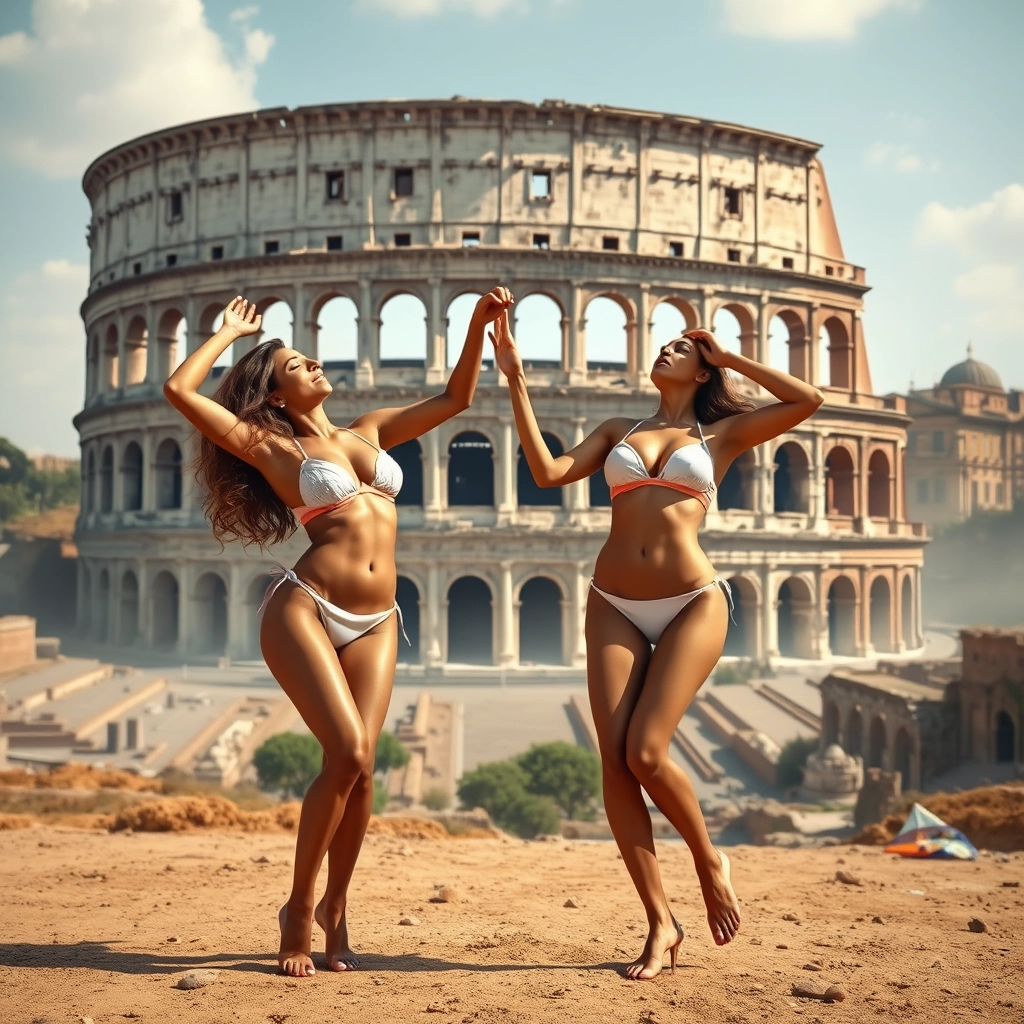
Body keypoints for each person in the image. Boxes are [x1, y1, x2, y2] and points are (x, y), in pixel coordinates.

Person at [164, 287, 513, 976]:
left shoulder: (370, 430)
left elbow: (457, 399)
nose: (315, 364)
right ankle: (298, 907)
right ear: (274, 391)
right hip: (305, 606)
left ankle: (338, 909)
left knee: (361, 771)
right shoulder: (267, 443)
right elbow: (179, 390)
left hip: (379, 617)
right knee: (348, 752)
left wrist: (475, 324)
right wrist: (227, 337)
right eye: (297, 363)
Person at [489, 312, 822, 979]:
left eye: (682, 348)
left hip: (693, 600)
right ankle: (660, 923)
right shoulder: (620, 430)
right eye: (664, 343)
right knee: (614, 763)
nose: (665, 349)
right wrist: (517, 382)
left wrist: (732, 356)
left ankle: (707, 859)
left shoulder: (719, 434)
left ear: (702, 372)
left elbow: (806, 401)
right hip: (611, 600)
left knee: (646, 751)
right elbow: (550, 472)